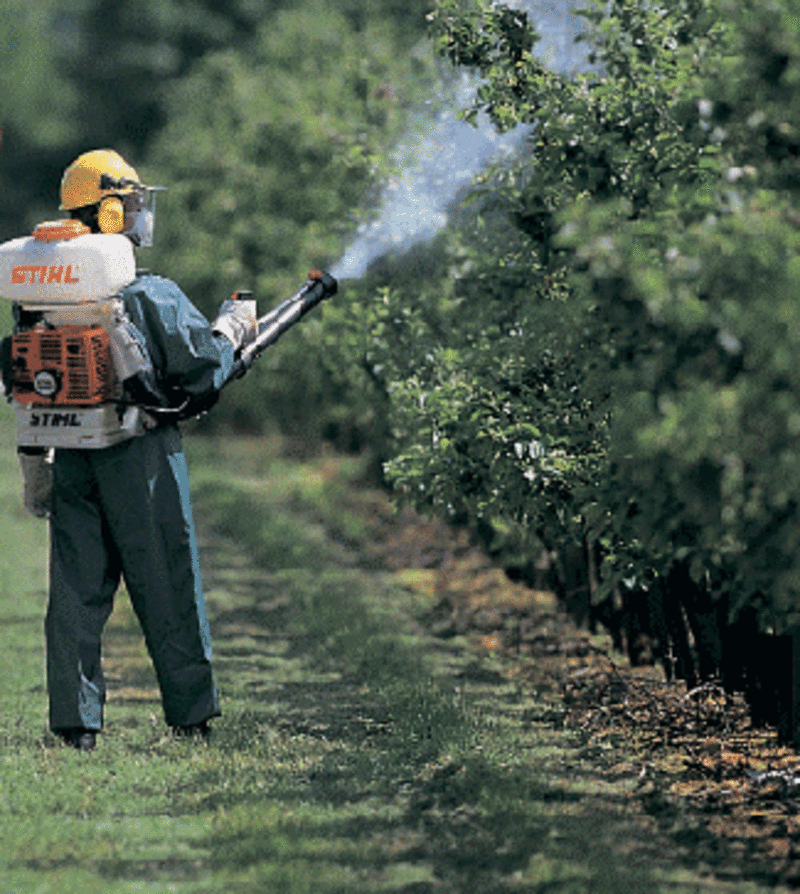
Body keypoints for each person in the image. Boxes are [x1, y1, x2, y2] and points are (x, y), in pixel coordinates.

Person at [19, 149, 256, 751]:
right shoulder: (149, 294)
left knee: (75, 590)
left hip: (74, 453)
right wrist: (232, 328)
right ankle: (191, 717)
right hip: (141, 457)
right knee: (167, 582)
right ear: (111, 210)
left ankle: (76, 726)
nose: (143, 212)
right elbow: (202, 372)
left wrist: (34, 468)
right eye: (135, 201)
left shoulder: (41, 297)